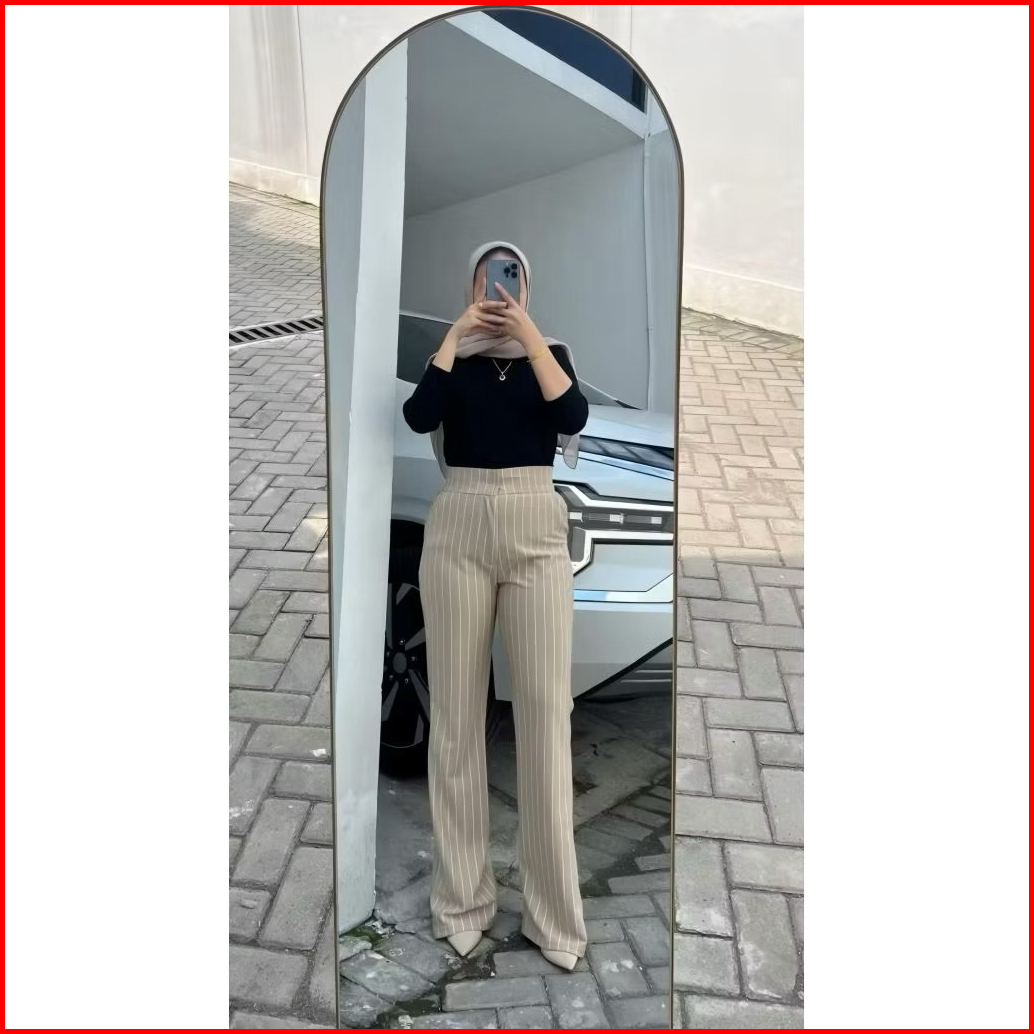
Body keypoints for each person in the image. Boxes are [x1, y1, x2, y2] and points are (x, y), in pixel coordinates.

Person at [402, 242, 589, 972]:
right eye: (489, 277)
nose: (499, 291)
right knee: (456, 715)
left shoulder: (552, 353)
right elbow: (419, 415)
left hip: (535, 525)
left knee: (545, 714)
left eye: (511, 278)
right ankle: (462, 903)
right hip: (459, 523)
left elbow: (571, 412)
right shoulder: (452, 361)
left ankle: (555, 917)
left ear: (527, 287)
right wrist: (454, 336)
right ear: (472, 283)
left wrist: (529, 336)